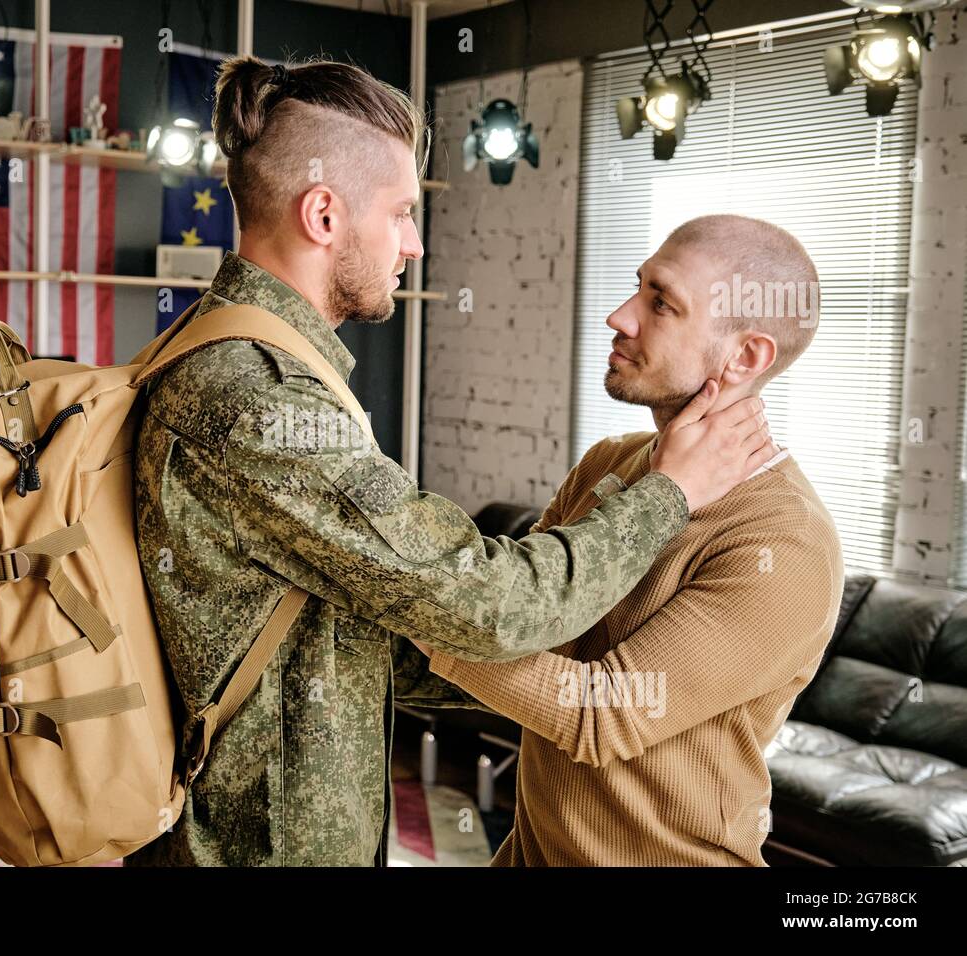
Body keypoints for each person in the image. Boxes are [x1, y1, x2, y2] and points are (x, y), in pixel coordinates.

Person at [124, 58, 775, 867]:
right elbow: (490, 606)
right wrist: (669, 491)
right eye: (401, 213)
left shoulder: (224, 351)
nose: (417, 243)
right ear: (324, 214)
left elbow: (345, 631)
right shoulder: (264, 399)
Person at [416, 215, 844, 866]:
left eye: (661, 303)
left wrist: (416, 605)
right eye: (635, 288)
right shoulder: (608, 463)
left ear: (746, 356)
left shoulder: (785, 541)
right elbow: (522, 624)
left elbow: (600, 715)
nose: (619, 316)